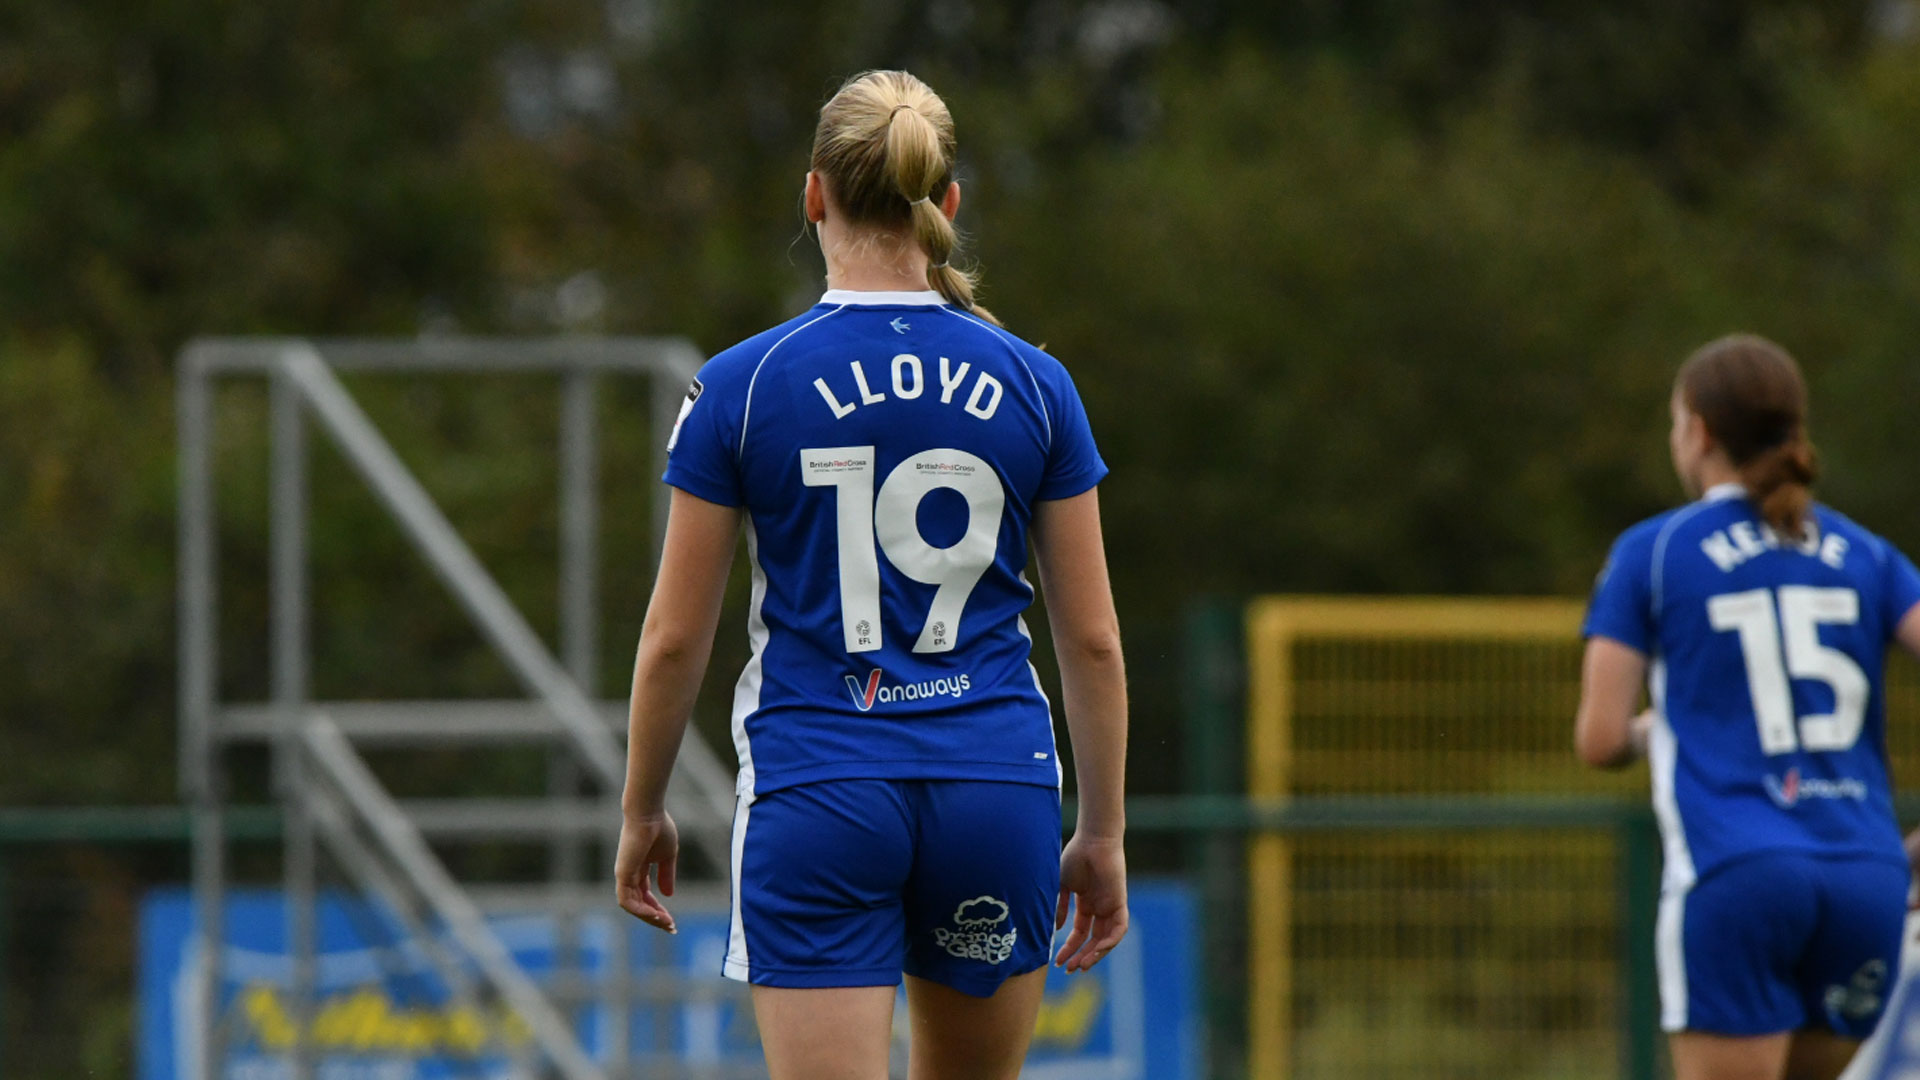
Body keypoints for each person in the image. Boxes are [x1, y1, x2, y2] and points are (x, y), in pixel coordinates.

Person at [612, 69, 1130, 1080]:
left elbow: (676, 637)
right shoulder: (1038, 382)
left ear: (814, 196)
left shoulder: (741, 385)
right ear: (947, 203)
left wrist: (643, 809)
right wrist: (1102, 830)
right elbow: (1095, 640)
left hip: (820, 789)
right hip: (996, 788)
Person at [1576, 333, 1920, 1080]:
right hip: (1865, 878)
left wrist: (1646, 731)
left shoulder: (1655, 551)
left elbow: (1598, 738)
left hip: (1738, 876)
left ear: (1698, 431)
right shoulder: (1867, 553)